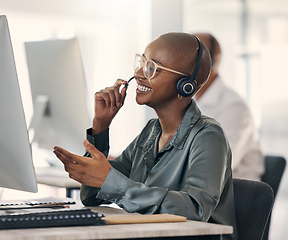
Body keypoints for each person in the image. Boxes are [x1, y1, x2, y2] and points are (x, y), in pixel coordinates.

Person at [54, 32, 237, 240]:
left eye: (152, 68)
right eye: (142, 62)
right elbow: (92, 195)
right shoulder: (151, 132)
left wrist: (112, 183)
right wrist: (101, 126)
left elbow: (195, 210)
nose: (139, 73)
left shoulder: (209, 136)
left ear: (185, 85)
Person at [193, 33, 264, 181]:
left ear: (213, 62)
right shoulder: (188, 102)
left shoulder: (234, 108)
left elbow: (216, 167)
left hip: (235, 194)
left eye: (193, 57)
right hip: (200, 192)